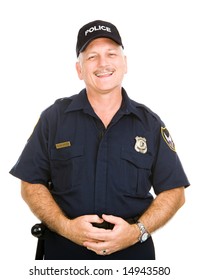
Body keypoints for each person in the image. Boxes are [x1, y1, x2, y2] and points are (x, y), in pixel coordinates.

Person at [10, 20, 190, 260]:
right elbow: (31, 184)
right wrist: (66, 227)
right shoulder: (54, 119)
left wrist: (137, 232)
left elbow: (174, 192)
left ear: (125, 63)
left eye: (111, 54)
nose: (103, 63)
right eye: (92, 56)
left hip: (133, 261)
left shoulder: (149, 123)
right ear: (79, 70)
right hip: (65, 260)